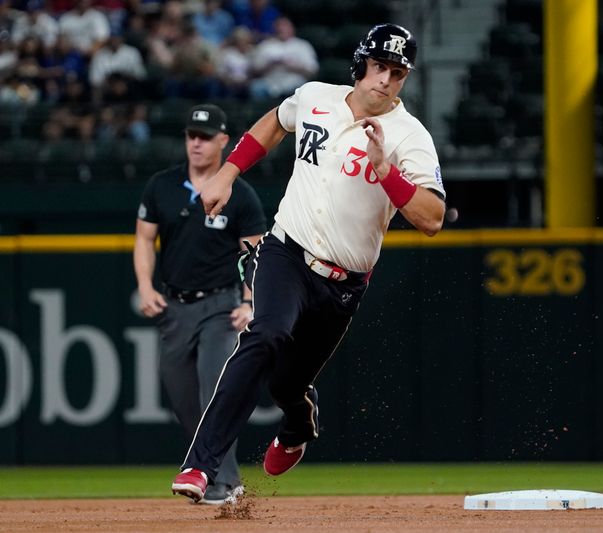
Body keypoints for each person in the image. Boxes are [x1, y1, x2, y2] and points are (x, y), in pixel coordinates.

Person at [171, 23, 445, 503]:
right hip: (286, 251)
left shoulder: (411, 137)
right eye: (379, 66)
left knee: (288, 382)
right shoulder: (316, 95)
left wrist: (386, 173)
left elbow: (432, 218)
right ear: (361, 65)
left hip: (343, 284)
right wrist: (227, 172)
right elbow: (275, 123)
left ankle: (298, 426)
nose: (384, 79)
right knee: (265, 336)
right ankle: (200, 465)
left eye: (397, 72)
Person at [134, 104, 267, 504]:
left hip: (221, 307)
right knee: (181, 394)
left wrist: (250, 301)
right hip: (175, 305)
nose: (196, 142)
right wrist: (144, 285)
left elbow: (256, 254)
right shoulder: (162, 185)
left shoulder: (239, 193)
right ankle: (216, 474)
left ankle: (221, 481)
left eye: (205, 136)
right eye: (191, 134)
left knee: (215, 387)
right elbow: (144, 239)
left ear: (224, 141)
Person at [248, 16, 318, 100]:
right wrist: (270, 65)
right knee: (255, 87)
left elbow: (312, 70)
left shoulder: (302, 45)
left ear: (292, 28)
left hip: (294, 83)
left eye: (285, 26)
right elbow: (254, 70)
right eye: (279, 26)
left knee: (304, 89)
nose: (281, 29)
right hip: (270, 82)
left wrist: (292, 66)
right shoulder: (265, 45)